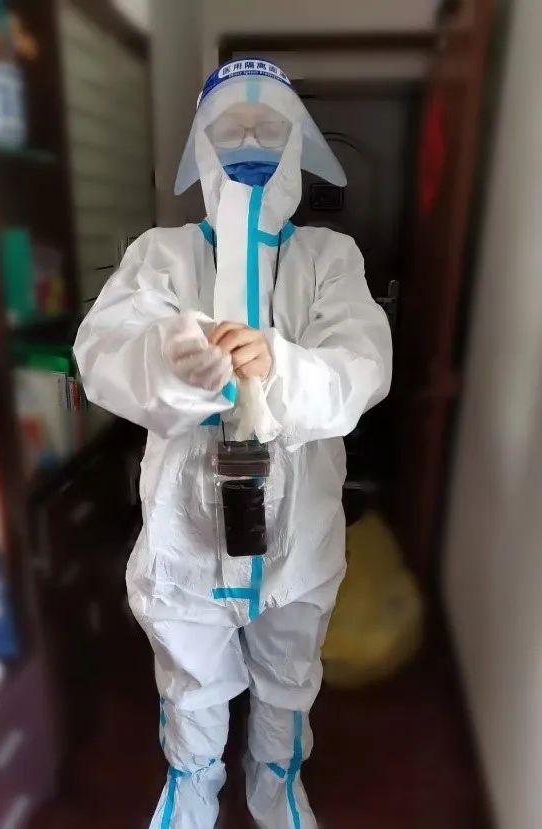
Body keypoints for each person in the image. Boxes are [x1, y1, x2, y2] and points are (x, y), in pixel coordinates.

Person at [74, 59, 392, 829]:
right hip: (184, 530)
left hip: (297, 531)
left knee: (290, 663)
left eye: (268, 128)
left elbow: (360, 368)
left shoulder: (327, 260)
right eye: (229, 130)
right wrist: (169, 361)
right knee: (190, 667)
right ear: (201, 148)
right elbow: (102, 352)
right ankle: (193, 780)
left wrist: (278, 368)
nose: (249, 144)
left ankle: (274, 777)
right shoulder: (162, 254)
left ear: (298, 145)